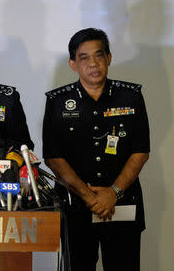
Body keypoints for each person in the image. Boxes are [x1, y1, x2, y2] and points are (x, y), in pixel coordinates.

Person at [43, 28, 149, 270]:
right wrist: (90, 197)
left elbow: (141, 151)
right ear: (73, 64)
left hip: (123, 204)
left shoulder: (130, 97)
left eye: (99, 55)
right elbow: (54, 158)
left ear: (109, 58)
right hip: (76, 207)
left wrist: (113, 193)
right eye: (84, 57)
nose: (93, 63)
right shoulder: (58, 102)